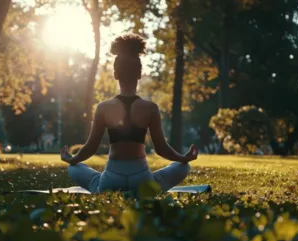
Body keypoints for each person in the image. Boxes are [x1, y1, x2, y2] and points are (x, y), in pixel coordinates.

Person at [60, 34, 198, 193]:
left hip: (111, 179)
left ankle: (99, 188)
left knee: (74, 169)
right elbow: (161, 149)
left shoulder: (103, 107)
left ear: (115, 74)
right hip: (142, 179)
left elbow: (90, 148)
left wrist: (72, 159)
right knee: (182, 168)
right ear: (139, 74)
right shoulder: (150, 108)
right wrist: (183, 158)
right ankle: (150, 188)